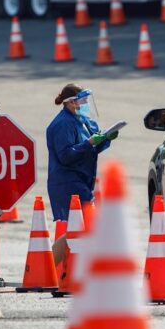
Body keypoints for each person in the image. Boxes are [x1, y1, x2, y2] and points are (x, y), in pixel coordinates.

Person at [46, 83, 118, 265]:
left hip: (81, 179)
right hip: (67, 181)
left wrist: (105, 139)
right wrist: (89, 143)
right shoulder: (62, 124)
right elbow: (66, 156)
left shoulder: (83, 120)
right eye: (82, 100)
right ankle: (47, 266)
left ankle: (52, 268)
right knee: (87, 225)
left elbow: (91, 147)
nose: (86, 103)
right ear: (71, 103)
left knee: (81, 227)